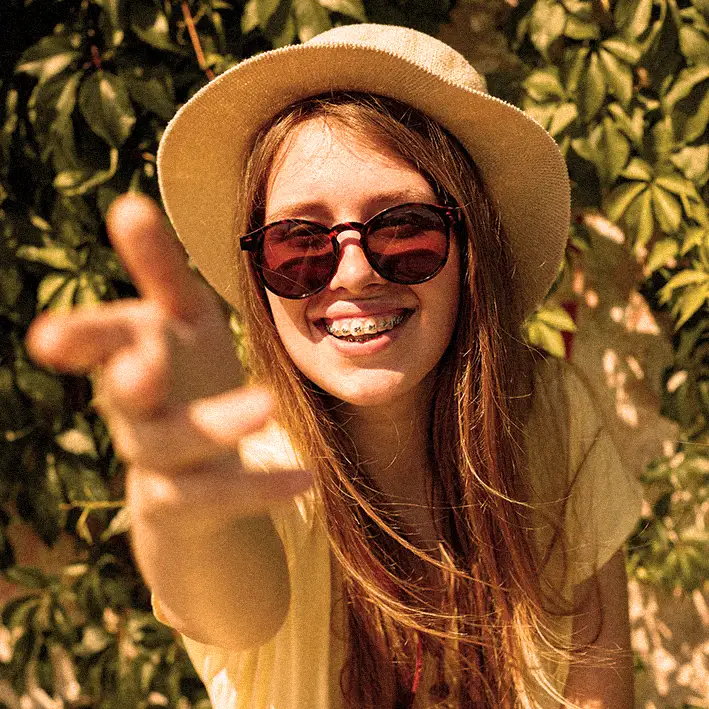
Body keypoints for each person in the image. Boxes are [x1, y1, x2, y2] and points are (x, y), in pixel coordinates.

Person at [26, 23, 643, 709]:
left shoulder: (548, 414)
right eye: (299, 244)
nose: (352, 273)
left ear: (470, 246)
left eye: (403, 228)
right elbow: (227, 595)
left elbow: (600, 690)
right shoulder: (261, 467)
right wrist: (179, 506)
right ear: (259, 274)